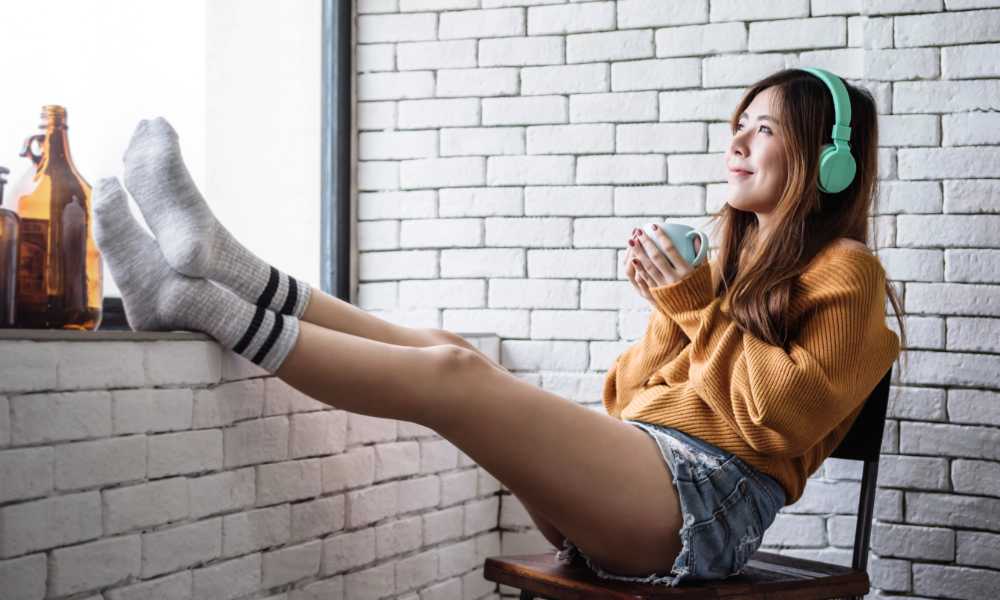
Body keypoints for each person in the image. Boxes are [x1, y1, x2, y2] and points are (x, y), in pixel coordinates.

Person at [92, 66, 904, 588]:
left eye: (763, 127)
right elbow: (627, 399)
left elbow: (776, 415)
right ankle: (227, 265)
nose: (737, 138)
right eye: (741, 120)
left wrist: (693, 304)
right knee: (457, 352)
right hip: (641, 481)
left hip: (703, 510)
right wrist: (673, 308)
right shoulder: (724, 268)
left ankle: (197, 302)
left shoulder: (846, 275)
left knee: (453, 382)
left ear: (828, 161)